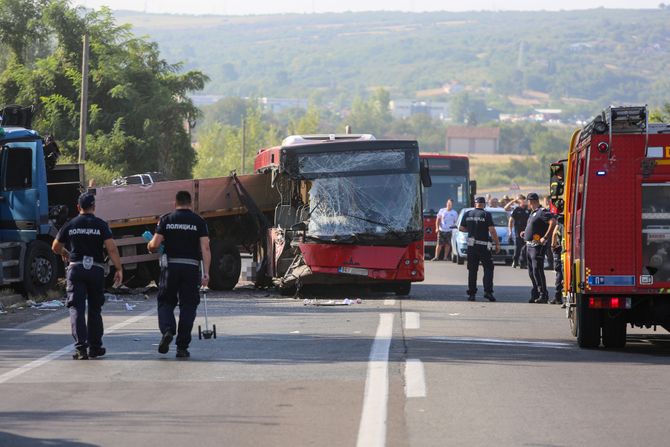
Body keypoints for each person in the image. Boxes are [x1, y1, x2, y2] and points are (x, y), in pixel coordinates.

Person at [52, 192, 123, 360]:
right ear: (94, 207)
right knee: (94, 309)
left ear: (78, 207)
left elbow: (55, 246)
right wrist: (119, 268)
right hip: (96, 270)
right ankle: (95, 347)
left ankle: (81, 348)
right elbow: (111, 248)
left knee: (76, 308)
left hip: (76, 269)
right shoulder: (101, 225)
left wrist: (65, 252)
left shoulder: (71, 224)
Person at [147, 190, 211, 359]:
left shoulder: (166, 219)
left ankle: (168, 330)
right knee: (188, 306)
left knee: (166, 301)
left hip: (171, 268)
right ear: (191, 204)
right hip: (191, 268)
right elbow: (205, 248)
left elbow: (154, 245)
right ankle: (182, 347)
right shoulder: (199, 221)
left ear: (175, 203)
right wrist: (207, 274)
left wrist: (150, 246)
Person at [459, 196, 500, 301]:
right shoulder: (486, 214)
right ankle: (488, 292)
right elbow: (492, 230)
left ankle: (472, 294)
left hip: (471, 246)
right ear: (484, 204)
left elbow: (461, 228)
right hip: (484, 246)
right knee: (488, 268)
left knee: (472, 270)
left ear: (475, 204)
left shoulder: (468, 213)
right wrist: (497, 244)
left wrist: (472, 230)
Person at [521, 192, 556, 303]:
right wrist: (525, 233)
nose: (528, 203)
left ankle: (543, 294)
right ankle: (535, 292)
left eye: (528, 201)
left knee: (537, 271)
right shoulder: (533, 213)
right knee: (531, 272)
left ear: (531, 201)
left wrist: (545, 237)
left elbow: (553, 222)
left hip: (537, 246)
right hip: (529, 245)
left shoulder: (542, 212)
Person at [507, 194, 530, 268]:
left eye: (525, 200)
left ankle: (523, 262)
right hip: (518, 231)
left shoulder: (528, 209)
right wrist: (510, 231)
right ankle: (515, 260)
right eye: (522, 200)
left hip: (527, 231)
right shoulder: (516, 209)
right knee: (518, 247)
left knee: (526, 247)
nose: (524, 201)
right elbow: (511, 221)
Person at [551, 216, 564, 305]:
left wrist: (553, 245)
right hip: (568, 251)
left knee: (559, 272)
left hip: (560, 251)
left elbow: (554, 234)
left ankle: (557, 297)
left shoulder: (559, 224)